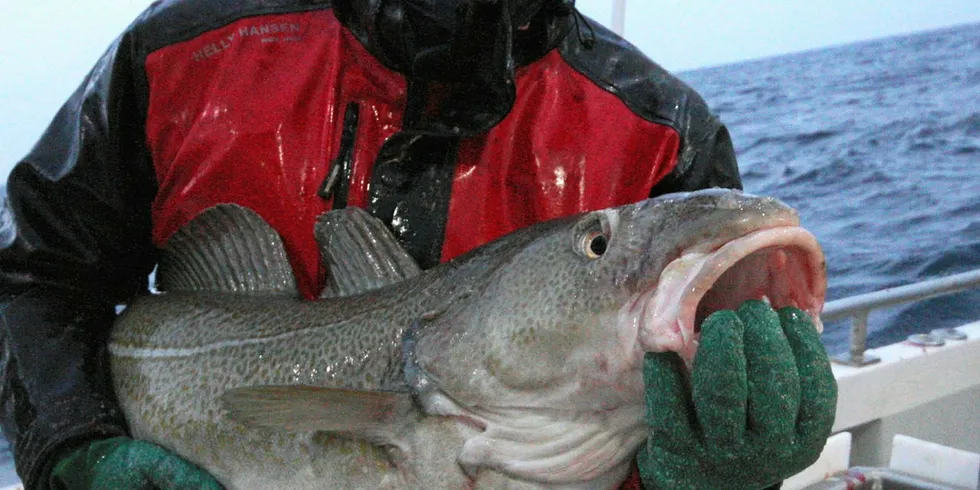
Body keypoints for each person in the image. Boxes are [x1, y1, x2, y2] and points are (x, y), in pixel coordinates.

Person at [0, 1, 835, 489]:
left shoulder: (663, 133)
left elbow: (679, 410)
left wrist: (705, 474)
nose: (611, 249)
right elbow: (34, 272)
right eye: (598, 244)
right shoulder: (186, 48)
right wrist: (77, 447)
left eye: (596, 242)